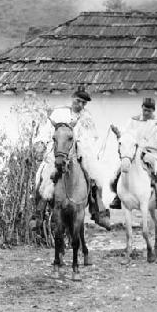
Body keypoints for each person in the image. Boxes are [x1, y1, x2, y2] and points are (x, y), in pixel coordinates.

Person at [34, 85, 110, 230]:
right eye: (78, 101)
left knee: (95, 177)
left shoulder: (86, 117)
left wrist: (80, 144)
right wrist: (41, 143)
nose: (80, 105)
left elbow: (92, 137)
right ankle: (38, 212)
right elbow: (47, 130)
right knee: (43, 174)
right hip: (58, 151)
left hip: (79, 152)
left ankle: (98, 210)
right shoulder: (59, 113)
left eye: (83, 103)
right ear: (72, 99)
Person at [109, 96, 157, 210]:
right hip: (134, 151)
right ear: (142, 108)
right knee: (119, 169)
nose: (146, 112)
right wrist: (118, 133)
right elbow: (125, 135)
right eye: (145, 110)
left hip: (152, 152)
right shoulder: (132, 120)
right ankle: (118, 197)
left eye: (149, 111)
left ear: (153, 110)